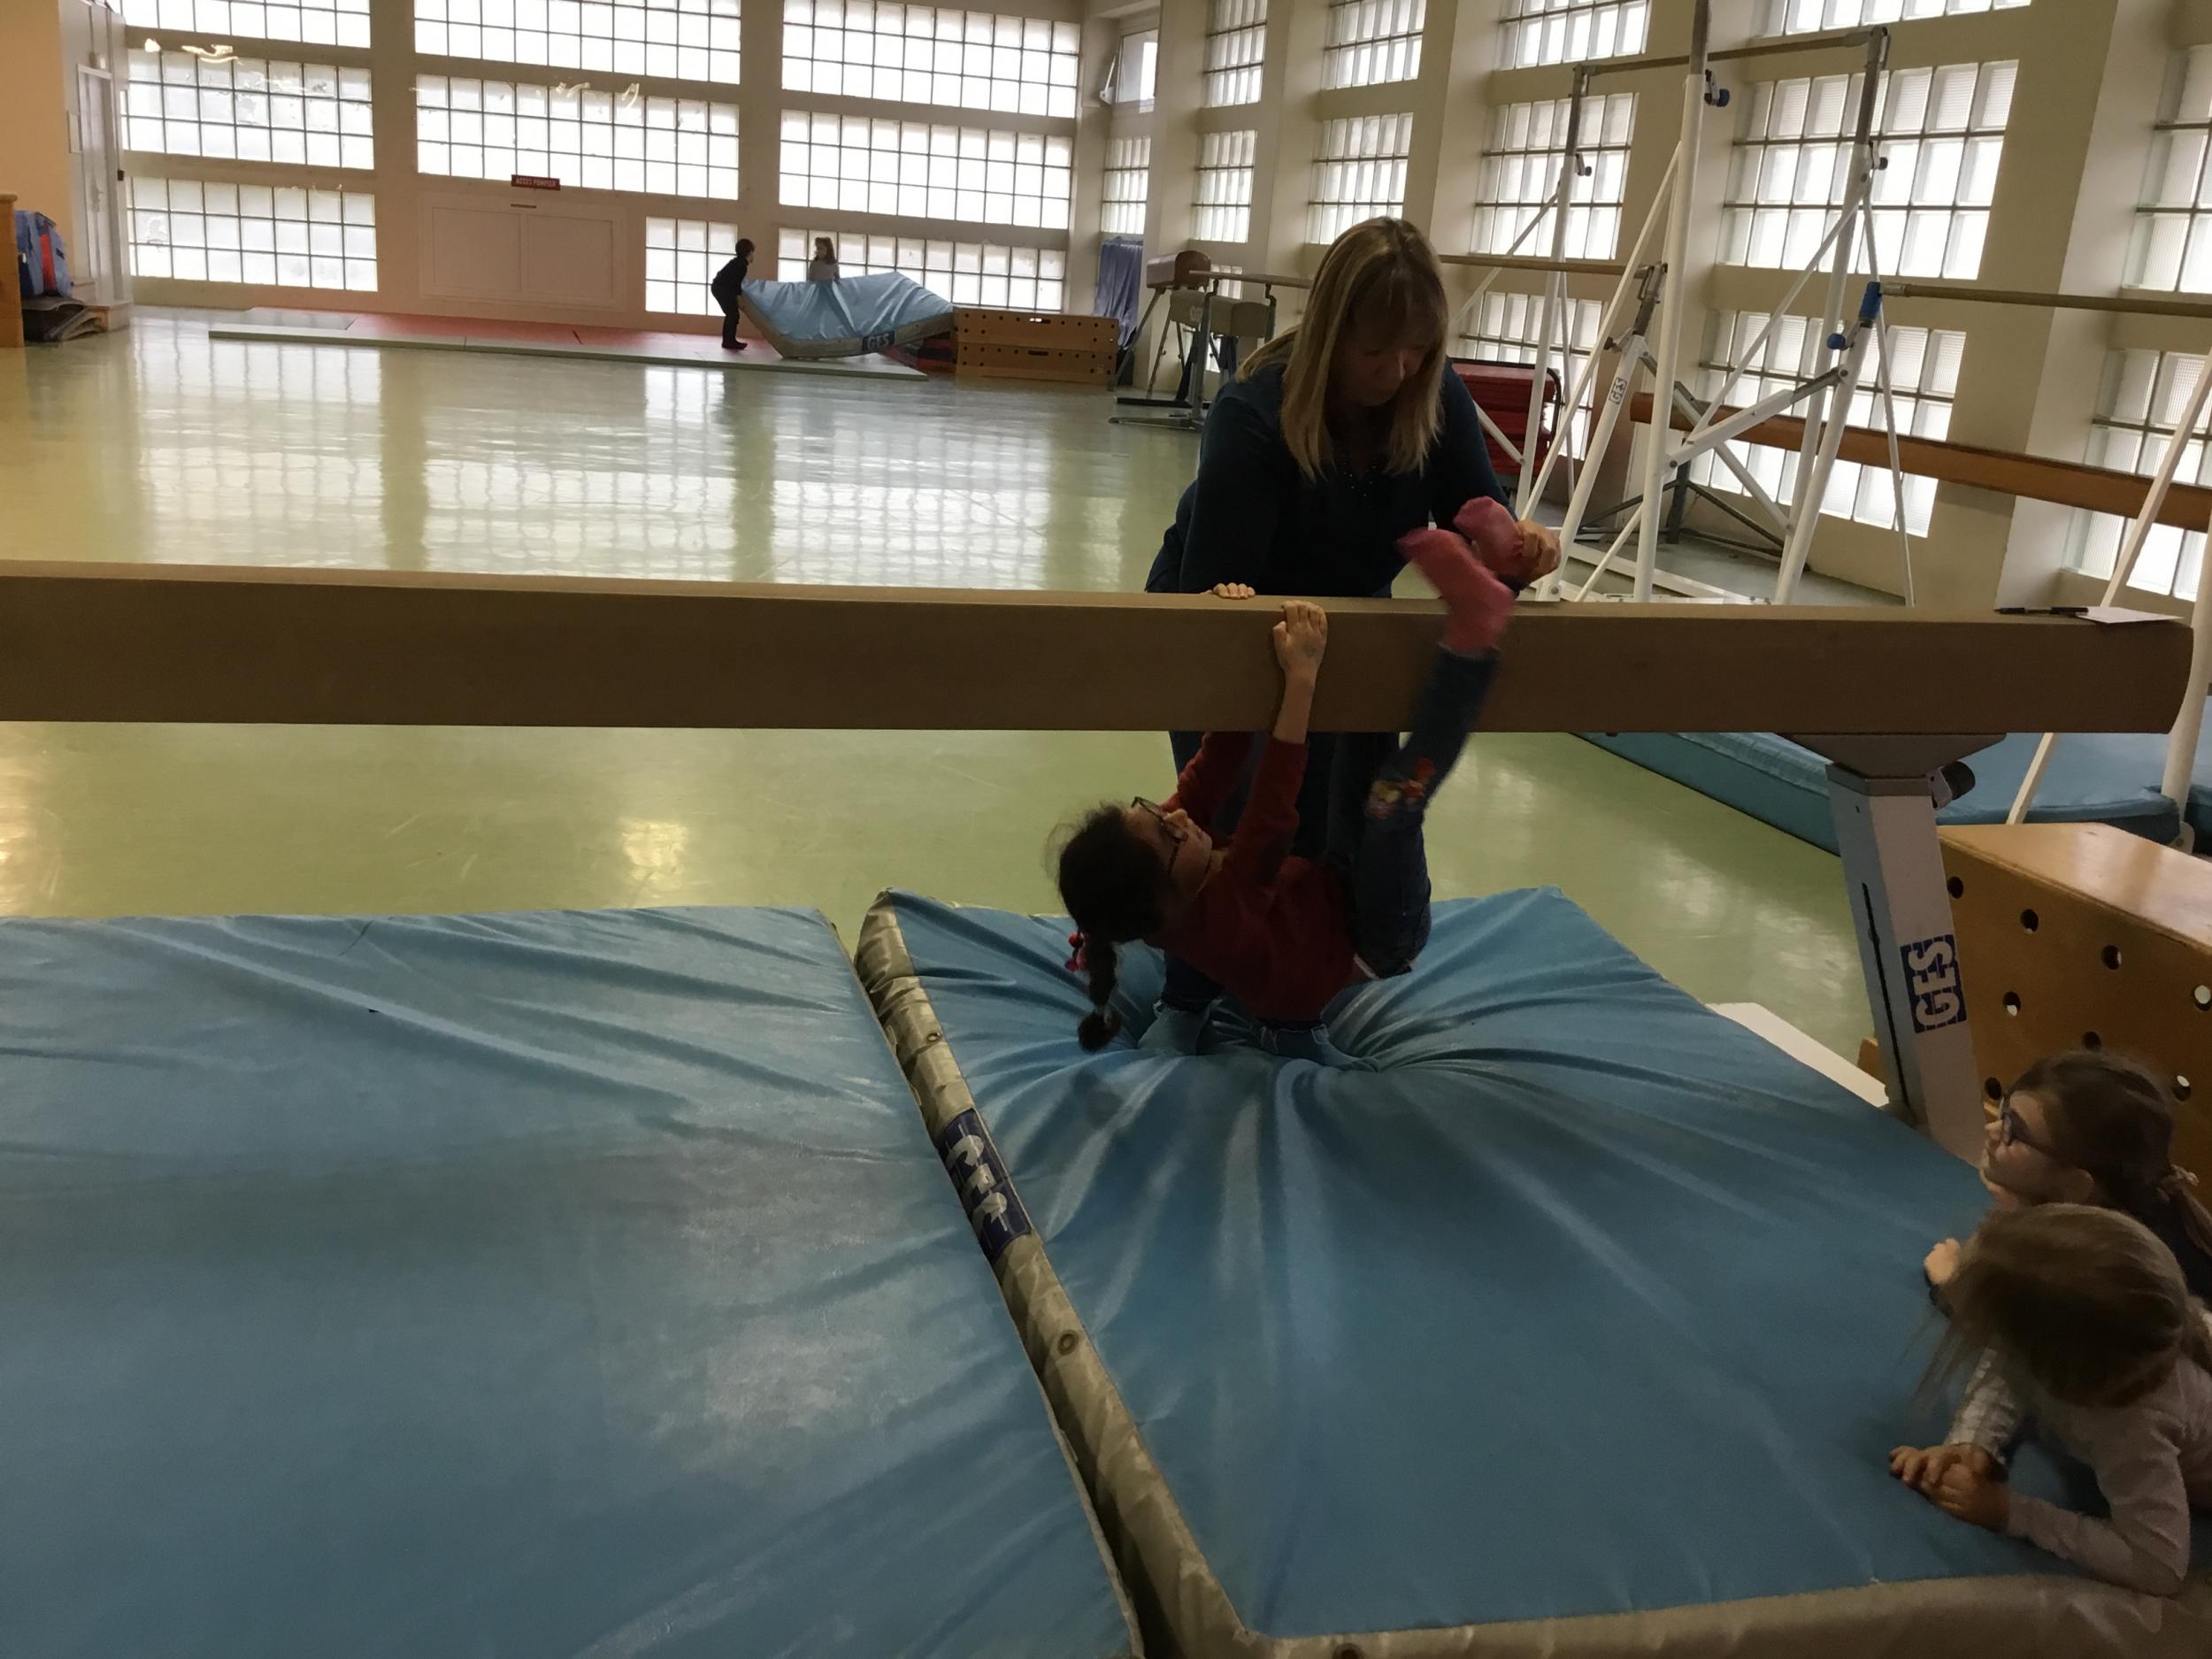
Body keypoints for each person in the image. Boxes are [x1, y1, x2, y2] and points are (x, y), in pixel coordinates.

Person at [1140, 216, 1560, 1055]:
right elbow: (1215, 590)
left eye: (1416, 352)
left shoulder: (1431, 395)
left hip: (1349, 626)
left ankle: (1289, 1007)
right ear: (1333, 334)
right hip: (1232, 610)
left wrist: (1521, 551)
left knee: (1336, 832)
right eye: (1376, 352)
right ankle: (1185, 995)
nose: (1396, 371)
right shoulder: (1254, 412)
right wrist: (1247, 636)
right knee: (1238, 816)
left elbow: (1481, 526)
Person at [1056, 510, 1520, 1067]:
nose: (1176, 817)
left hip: (1331, 892)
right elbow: (1271, 810)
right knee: (1391, 802)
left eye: (1154, 811)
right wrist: (1299, 680)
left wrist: (1242, 633)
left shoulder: (1169, 857)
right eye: (1169, 833)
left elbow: (1214, 767)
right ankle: (1473, 640)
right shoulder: (1219, 922)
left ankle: (1493, 582)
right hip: (1376, 933)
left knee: (1363, 732)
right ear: (1168, 903)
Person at [1889, 1205, 2212, 1595]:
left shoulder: (2130, 1426)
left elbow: (2157, 1565)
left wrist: (2010, 1512)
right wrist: (1973, 1443)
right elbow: (2009, 1362)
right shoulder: (2101, 1347)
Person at [1924, 1052, 2212, 1302]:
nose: (1992, 1130)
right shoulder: (2137, 1209)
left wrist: (1958, 1283)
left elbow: (2021, 1331)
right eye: (2005, 1111)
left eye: (2015, 1131)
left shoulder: (2107, 1273)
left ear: (2075, 1185)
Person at [710, 237, 753, 351]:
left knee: (732, 314)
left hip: (719, 288)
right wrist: (739, 298)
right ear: (749, 253)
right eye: (753, 252)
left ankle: (729, 340)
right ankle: (729, 341)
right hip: (722, 289)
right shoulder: (741, 265)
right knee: (732, 314)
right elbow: (736, 284)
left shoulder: (737, 262)